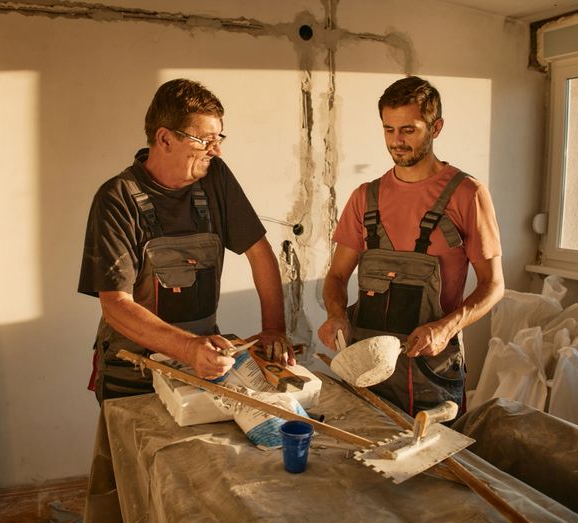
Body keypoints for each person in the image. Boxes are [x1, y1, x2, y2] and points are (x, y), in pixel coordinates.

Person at [79, 79, 293, 403]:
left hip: (203, 363)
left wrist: (274, 328)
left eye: (218, 138)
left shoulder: (215, 177)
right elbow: (115, 305)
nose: (216, 150)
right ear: (165, 138)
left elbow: (259, 252)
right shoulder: (116, 198)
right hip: (135, 371)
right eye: (205, 140)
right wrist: (188, 347)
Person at [318, 76, 504, 416]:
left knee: (436, 465)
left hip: (432, 372)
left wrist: (445, 328)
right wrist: (336, 315)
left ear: (436, 128)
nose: (396, 141)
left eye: (408, 130)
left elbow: (494, 285)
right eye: (389, 130)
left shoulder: (468, 195)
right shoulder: (364, 198)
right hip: (366, 369)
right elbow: (336, 277)